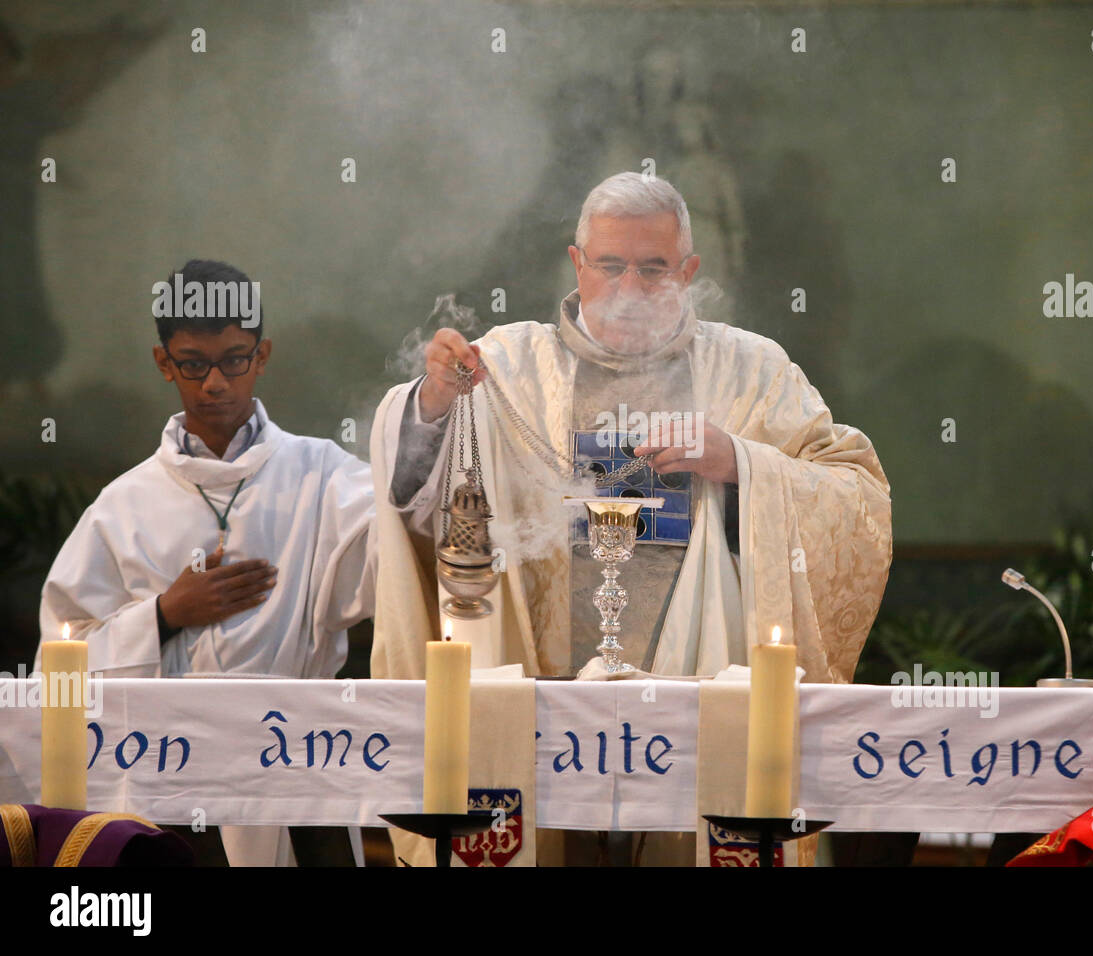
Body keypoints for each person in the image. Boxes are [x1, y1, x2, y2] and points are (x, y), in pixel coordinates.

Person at [370, 172, 893, 866]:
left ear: (689, 271)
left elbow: (856, 494)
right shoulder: (505, 367)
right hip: (535, 692)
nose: (629, 287)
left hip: (702, 692)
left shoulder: (751, 371)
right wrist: (432, 404)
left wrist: (739, 460)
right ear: (577, 264)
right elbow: (416, 495)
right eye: (610, 266)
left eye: (654, 269)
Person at [35, 259, 376, 866]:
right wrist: (166, 614)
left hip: (295, 759)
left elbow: (399, 550)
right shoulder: (123, 506)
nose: (216, 382)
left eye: (234, 358)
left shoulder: (324, 476)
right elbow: (57, 668)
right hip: (168, 774)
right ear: (164, 362)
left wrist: (432, 415)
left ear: (262, 354)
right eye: (193, 363)